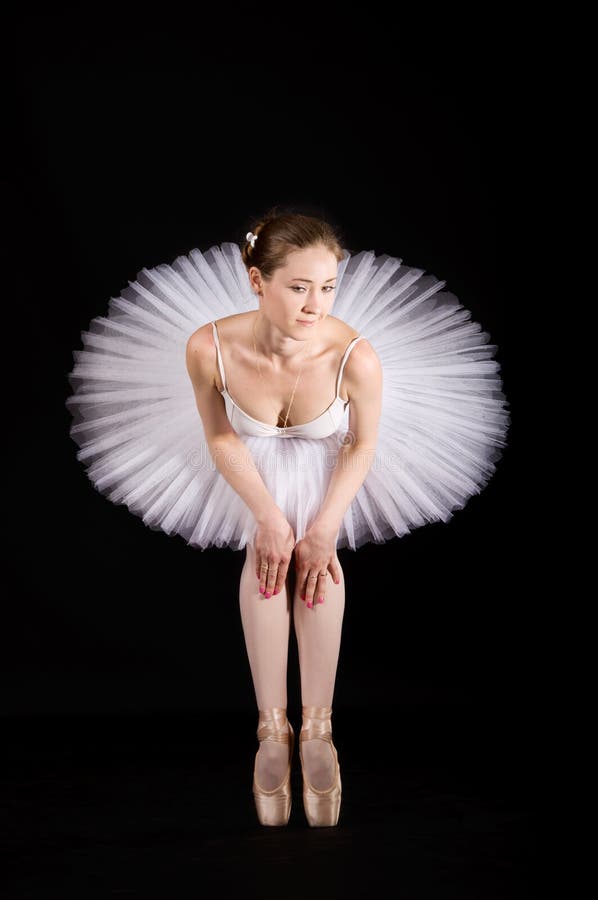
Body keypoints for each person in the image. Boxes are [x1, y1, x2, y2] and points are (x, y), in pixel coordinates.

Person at [66, 209, 510, 828]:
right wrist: (267, 514)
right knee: (267, 550)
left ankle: (319, 731)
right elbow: (220, 437)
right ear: (257, 281)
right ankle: (272, 729)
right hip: (250, 462)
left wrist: (324, 524)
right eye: (298, 287)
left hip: (329, 459)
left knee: (314, 557)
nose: (315, 303)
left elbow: (359, 446)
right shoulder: (207, 346)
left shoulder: (356, 356)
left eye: (327, 287)